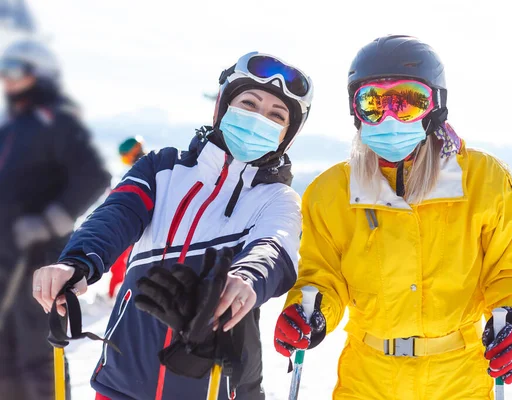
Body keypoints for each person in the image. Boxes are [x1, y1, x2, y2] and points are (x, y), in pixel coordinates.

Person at [273, 35, 512, 399]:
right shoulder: (332, 191)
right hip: (367, 375)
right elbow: (320, 273)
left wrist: (511, 316)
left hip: (460, 374)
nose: (389, 118)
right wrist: (310, 311)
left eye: (407, 103)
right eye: (373, 103)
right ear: (356, 112)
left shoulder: (481, 179)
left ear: (436, 106)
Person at [31, 51, 313, 400]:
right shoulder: (162, 168)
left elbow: (275, 247)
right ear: (223, 108)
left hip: (214, 383)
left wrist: (245, 280)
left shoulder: (278, 200)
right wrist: (76, 261)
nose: (259, 119)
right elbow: (117, 214)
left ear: (287, 134)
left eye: (276, 115)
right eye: (249, 104)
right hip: (123, 379)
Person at [0, 39, 111, 400]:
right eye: (4, 71)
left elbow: (94, 176)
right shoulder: (12, 129)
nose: (8, 80)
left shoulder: (56, 122)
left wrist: (49, 221)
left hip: (39, 261)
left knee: (37, 356)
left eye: (16, 70)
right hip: (6, 259)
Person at [107, 137, 148, 299]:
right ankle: (116, 295)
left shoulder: (142, 170)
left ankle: (118, 296)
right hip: (135, 226)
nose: (125, 161)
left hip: (135, 227)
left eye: (125, 156)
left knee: (125, 264)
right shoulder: (143, 168)